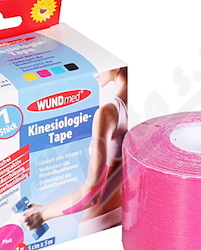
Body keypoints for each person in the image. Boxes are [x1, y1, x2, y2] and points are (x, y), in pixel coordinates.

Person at [22, 67, 128, 236]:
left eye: (100, 64)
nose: (94, 73)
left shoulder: (109, 113)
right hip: (127, 215)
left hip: (100, 223)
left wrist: (42, 213)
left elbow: (92, 193)